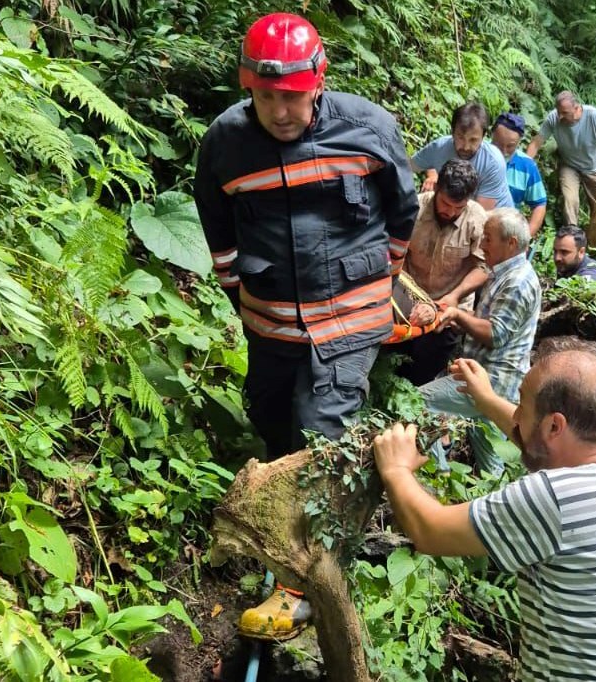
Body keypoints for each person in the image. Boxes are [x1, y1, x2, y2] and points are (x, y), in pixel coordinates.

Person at [193, 12, 418, 640]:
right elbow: (218, 230)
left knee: (320, 430)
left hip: (350, 318)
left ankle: (300, 585)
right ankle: (284, 510)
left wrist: (378, 285)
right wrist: (240, 293)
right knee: (269, 415)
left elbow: (403, 215)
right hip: (271, 320)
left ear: (317, 84)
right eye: (265, 97)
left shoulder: (369, 129)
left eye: (291, 96)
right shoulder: (226, 144)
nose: (279, 110)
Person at [373, 337, 596, 681]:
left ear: (554, 425)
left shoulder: (554, 498)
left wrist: (396, 469)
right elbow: (541, 444)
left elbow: (430, 531)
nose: (515, 414)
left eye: (521, 405)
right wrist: (486, 400)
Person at [419, 208, 541, 472]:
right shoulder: (503, 273)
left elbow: (496, 334)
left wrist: (459, 316)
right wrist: (458, 318)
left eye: (488, 238)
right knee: (487, 450)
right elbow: (490, 320)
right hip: (488, 377)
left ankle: (438, 481)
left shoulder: (517, 281)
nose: (482, 244)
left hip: (493, 380)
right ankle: (493, 501)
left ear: (510, 243)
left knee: (419, 402)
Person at [397, 159, 489, 385]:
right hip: (407, 302)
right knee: (396, 365)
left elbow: (484, 266)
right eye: (446, 204)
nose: (451, 212)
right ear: (436, 188)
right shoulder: (413, 209)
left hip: (450, 308)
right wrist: (413, 298)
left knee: (424, 374)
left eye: (459, 207)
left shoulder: (477, 219)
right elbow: (397, 255)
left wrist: (454, 297)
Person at [526, 91, 596, 226]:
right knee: (570, 199)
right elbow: (536, 143)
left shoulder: (593, 116)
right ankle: (571, 234)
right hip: (570, 166)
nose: (560, 116)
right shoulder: (553, 118)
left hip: (594, 167)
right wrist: (525, 166)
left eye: (565, 112)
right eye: (559, 111)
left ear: (577, 108)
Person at [411, 102, 515, 210]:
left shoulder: (493, 162)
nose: (466, 147)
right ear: (452, 132)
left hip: (495, 217)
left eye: (473, 140)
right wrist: (432, 175)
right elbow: (406, 167)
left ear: (483, 136)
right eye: (460, 137)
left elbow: (481, 214)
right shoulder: (439, 147)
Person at [490, 112, 547, 238]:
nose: (504, 151)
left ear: (519, 142)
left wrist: (526, 237)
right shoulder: (479, 153)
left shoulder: (527, 165)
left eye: (510, 146)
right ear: (491, 135)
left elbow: (539, 204)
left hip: (505, 234)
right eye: (498, 144)